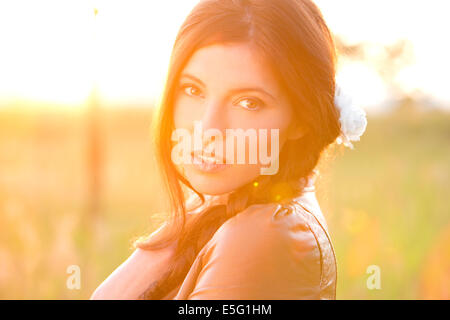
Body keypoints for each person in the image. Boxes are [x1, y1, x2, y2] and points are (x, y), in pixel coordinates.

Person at [91, 0, 366, 300]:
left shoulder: (265, 236)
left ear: (301, 118)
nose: (208, 130)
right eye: (193, 90)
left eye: (249, 102)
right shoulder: (229, 206)